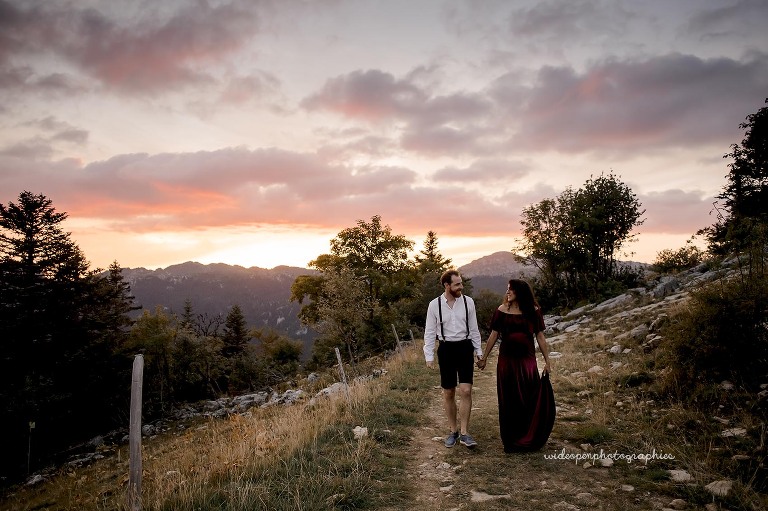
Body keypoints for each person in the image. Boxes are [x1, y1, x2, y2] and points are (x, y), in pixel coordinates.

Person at [477, 279, 556, 453]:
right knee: (508, 399)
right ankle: (511, 440)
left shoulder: (533, 311)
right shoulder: (501, 310)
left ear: (520, 292)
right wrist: (484, 358)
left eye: (511, 290)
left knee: (528, 397)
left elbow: (540, 337)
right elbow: (493, 335)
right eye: (507, 290)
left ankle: (528, 437)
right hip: (506, 361)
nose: (508, 292)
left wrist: (547, 361)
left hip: (527, 361)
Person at [424, 270, 484, 449]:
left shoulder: (468, 302)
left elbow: (474, 329)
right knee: (448, 392)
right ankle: (453, 431)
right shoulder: (434, 305)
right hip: (446, 349)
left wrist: (479, 352)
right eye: (457, 284)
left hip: (465, 348)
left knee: (465, 390)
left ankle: (465, 433)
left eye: (461, 283)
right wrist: (429, 356)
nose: (461, 287)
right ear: (447, 286)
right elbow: (429, 332)